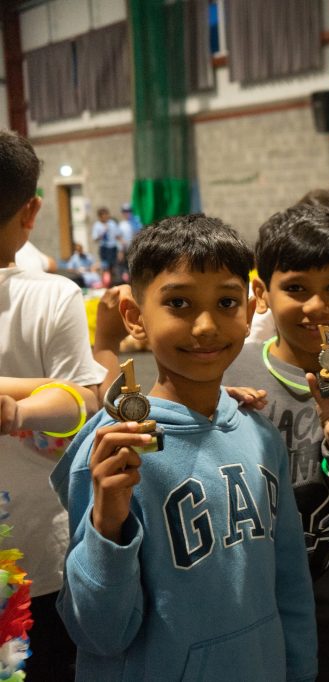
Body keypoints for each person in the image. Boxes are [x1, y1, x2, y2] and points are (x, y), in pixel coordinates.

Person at [50, 214, 318, 681]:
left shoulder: (260, 435)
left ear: (252, 307)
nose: (206, 326)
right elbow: (98, 633)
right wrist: (106, 525)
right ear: (135, 316)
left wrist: (301, 669)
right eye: (178, 303)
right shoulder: (111, 450)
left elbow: (290, 584)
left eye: (226, 302)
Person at [223, 203, 329, 681]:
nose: (318, 307)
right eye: (296, 289)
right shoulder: (228, 373)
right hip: (249, 612)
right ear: (261, 294)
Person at [1, 129, 107, 682]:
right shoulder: (52, 293)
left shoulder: (50, 292)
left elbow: (80, 405)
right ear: (32, 210)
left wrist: (15, 407)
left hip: (36, 554)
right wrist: (29, 395)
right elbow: (79, 400)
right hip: (40, 553)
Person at [90, 207, 119, 280]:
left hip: (112, 247)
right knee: (105, 266)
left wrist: (121, 246)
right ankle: (105, 282)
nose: (106, 217)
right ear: (100, 217)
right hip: (104, 248)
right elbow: (95, 238)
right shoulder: (97, 225)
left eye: (107, 215)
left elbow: (117, 235)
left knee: (113, 266)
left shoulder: (112, 223)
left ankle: (112, 281)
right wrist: (103, 232)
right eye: (104, 216)